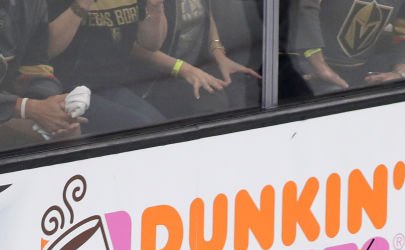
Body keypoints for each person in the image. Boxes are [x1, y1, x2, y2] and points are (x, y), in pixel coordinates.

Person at [47, 0, 169, 132]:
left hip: (110, 85)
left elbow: (151, 43)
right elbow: (46, 49)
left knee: (163, 129)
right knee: (144, 132)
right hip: (68, 89)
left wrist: (155, 6)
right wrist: (82, 4)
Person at [133, 0, 260, 119]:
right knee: (214, 102)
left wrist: (218, 53)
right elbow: (132, 47)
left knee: (242, 89)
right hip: (156, 79)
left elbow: (206, 15)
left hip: (194, 67)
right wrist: (182, 69)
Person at [280, 0, 405, 98]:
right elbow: (305, 6)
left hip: (356, 72)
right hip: (300, 66)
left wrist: (399, 73)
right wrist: (318, 64)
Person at [1, 0, 87, 147]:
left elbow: (35, 63)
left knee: (68, 133)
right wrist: (28, 108)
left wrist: (54, 105)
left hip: (8, 103)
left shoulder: (33, 4)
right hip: (8, 107)